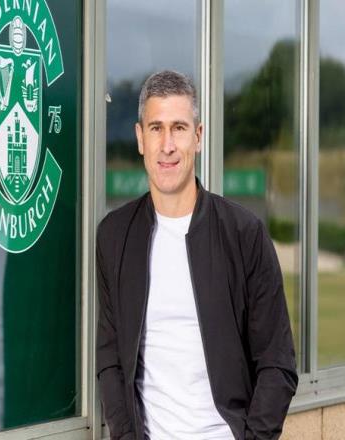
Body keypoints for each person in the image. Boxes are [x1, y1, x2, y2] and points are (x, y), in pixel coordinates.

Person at [96, 70, 298, 440]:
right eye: (156, 128)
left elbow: (277, 363)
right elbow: (110, 358)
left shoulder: (244, 234)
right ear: (140, 138)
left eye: (179, 128)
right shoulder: (114, 235)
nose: (167, 145)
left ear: (198, 136)